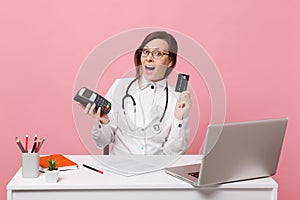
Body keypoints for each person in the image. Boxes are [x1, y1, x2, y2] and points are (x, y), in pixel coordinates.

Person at [81, 31, 192, 155]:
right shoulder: (120, 87)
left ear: (170, 61)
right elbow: (102, 142)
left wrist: (178, 118)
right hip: (120, 166)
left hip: (155, 169)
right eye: (145, 52)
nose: (149, 58)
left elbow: (174, 152)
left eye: (158, 54)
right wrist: (104, 122)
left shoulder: (177, 99)